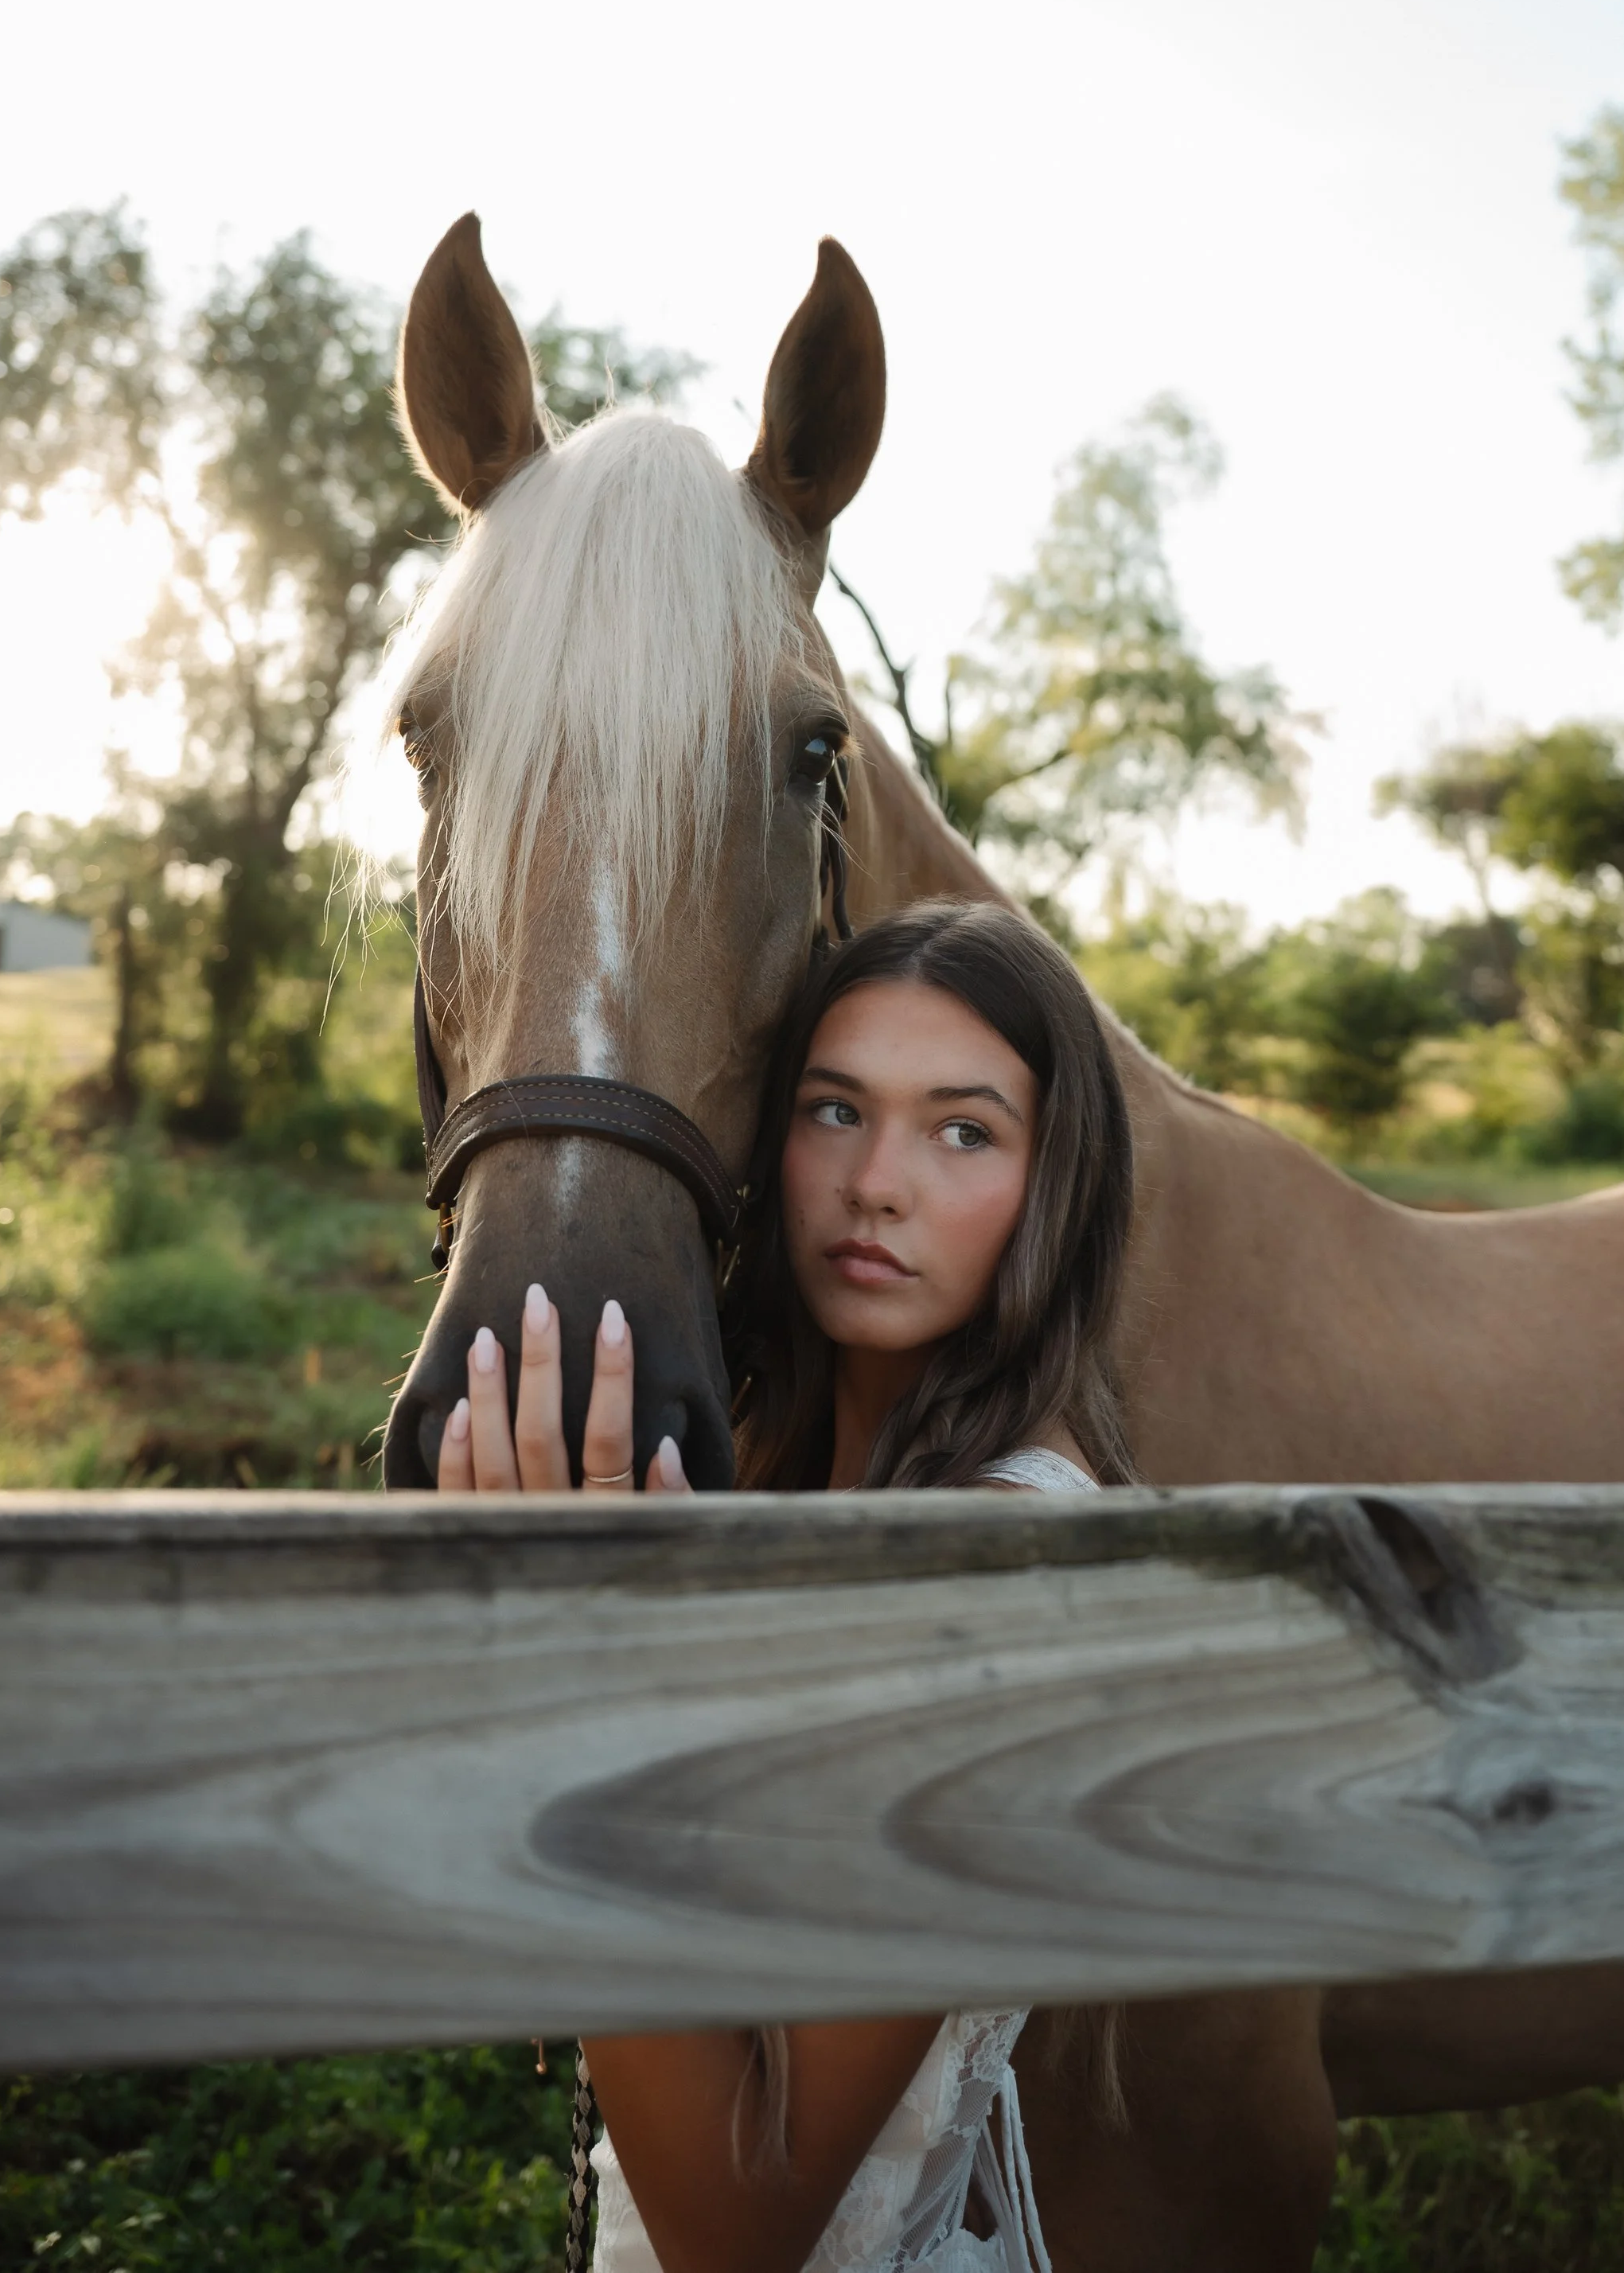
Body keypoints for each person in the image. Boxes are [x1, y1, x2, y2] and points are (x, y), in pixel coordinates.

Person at [438, 899, 1136, 2273]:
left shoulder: (991, 1564)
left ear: (1057, 1183)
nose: (878, 1181)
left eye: (962, 1130)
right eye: (833, 1110)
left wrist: (568, 1676)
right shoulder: (785, 1480)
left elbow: (734, 2231)